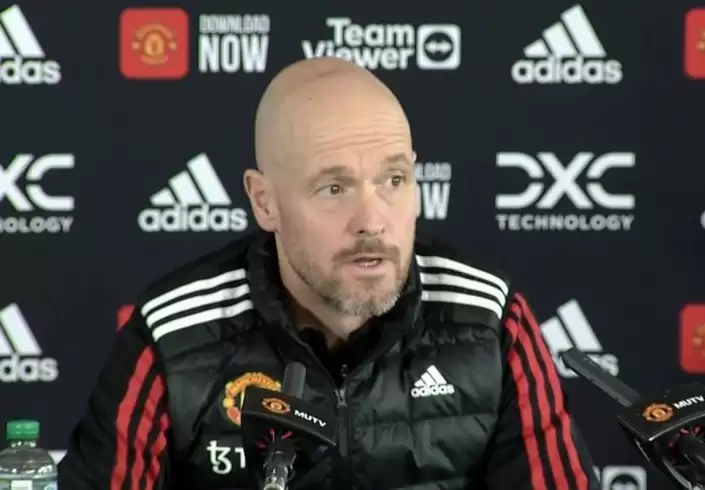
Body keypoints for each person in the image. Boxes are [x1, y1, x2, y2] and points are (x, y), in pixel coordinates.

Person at [58, 57, 599, 490]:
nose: (372, 221)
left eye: (394, 180)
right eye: (334, 188)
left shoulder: (490, 319)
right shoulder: (173, 337)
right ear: (264, 201)